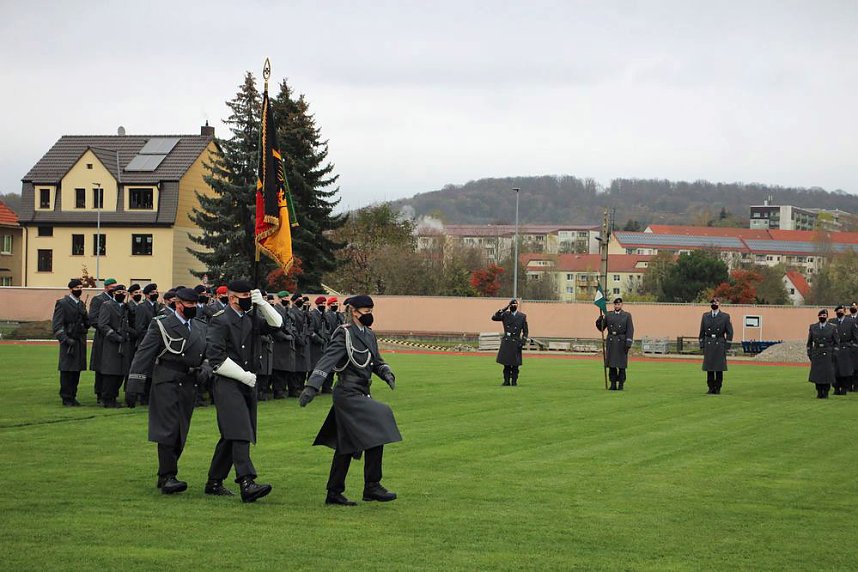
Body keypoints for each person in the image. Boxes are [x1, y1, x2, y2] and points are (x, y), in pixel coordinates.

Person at [299, 295, 401, 506]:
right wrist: (312, 386)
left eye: (371, 310)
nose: (370, 315)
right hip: (347, 392)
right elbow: (328, 359)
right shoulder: (344, 334)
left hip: (362, 391)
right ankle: (372, 485)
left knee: (345, 444)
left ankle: (334, 492)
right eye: (366, 311)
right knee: (381, 417)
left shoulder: (369, 335)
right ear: (354, 312)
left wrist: (386, 373)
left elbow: (376, 361)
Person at [204, 279, 282, 502]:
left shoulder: (251, 318)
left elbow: (277, 325)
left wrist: (265, 304)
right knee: (240, 431)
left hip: (248, 381)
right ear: (231, 298)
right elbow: (216, 358)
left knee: (231, 434)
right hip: (228, 381)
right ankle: (246, 482)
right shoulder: (220, 321)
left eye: (250, 296)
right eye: (244, 297)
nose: (248, 300)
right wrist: (244, 376)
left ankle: (214, 481)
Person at [127, 288, 210, 494]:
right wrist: (134, 384)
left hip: (190, 382)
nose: (193, 309)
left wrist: (206, 369)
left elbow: (209, 353)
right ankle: (168, 476)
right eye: (189, 305)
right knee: (167, 429)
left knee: (181, 430)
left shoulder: (200, 327)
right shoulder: (162, 324)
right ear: (178, 304)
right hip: (167, 380)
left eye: (195, 305)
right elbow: (144, 354)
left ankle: (165, 473)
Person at [51, 279, 89, 406]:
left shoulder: (81, 304)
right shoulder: (62, 303)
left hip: (79, 341)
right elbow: (57, 325)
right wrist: (65, 339)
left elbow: (86, 324)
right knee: (67, 370)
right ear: (71, 289)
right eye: (77, 287)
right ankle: (66, 397)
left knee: (76, 371)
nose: (79, 289)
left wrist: (85, 319)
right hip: (68, 341)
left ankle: (73, 395)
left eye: (80, 287)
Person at [97, 284, 135, 408]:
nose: (122, 294)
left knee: (121, 372)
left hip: (124, 343)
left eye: (124, 292)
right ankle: (108, 399)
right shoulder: (107, 305)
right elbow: (103, 325)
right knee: (111, 373)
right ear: (114, 293)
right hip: (112, 344)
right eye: (119, 291)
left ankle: (114, 397)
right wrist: (115, 336)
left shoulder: (125, 307)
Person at [596, 297, 635, 390]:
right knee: (612, 365)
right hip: (611, 342)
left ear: (621, 305)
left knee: (621, 365)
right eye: (615, 304)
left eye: (618, 304)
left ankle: (621, 384)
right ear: (614, 305)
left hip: (621, 342)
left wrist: (628, 343)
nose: (617, 306)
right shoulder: (608, 315)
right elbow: (601, 328)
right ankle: (613, 384)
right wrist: (600, 320)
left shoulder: (627, 315)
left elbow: (630, 330)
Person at [88, 277, 117, 403]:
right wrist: (105, 328)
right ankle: (100, 392)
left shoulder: (117, 301)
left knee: (113, 366)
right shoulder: (98, 300)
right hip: (102, 337)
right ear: (106, 288)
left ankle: (111, 392)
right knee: (101, 365)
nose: (114, 290)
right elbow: (93, 319)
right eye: (112, 288)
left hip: (115, 338)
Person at [698, 297, 733, 395]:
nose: (714, 304)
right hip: (709, 343)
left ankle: (717, 388)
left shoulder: (725, 317)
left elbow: (730, 332)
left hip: (719, 343)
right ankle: (710, 388)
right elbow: (702, 331)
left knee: (718, 368)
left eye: (716, 302)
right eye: (712, 303)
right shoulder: (705, 316)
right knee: (709, 368)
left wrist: (727, 345)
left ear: (719, 304)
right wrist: (702, 344)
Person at [491, 299, 529, 386]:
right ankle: (506, 381)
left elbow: (525, 331)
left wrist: (523, 341)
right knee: (506, 364)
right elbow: (494, 317)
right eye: (511, 305)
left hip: (516, 341)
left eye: (514, 305)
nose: (513, 306)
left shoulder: (522, 316)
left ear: (517, 306)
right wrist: (504, 309)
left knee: (515, 365)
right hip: (507, 341)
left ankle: (514, 382)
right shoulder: (505, 314)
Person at [270, 291, 297, 399]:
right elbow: (273, 327)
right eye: (285, 297)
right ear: (280, 299)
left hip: (287, 343)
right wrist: (284, 336)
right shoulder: (275, 310)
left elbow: (291, 324)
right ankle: (278, 391)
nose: (287, 299)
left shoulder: (287, 310)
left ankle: (282, 389)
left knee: (285, 368)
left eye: (287, 297)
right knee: (278, 369)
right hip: (279, 343)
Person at [807, 309, 838, 399]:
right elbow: (809, 342)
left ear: (827, 316)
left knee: (827, 374)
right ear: (818, 316)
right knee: (818, 375)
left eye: (824, 316)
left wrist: (834, 353)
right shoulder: (813, 327)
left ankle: (826, 392)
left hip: (828, 353)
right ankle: (819, 392)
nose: (822, 317)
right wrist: (810, 353)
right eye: (821, 316)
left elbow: (836, 342)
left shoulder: (832, 327)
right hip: (817, 353)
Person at [287, 292, 310, 397]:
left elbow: (307, 325)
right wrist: (299, 339)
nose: (301, 301)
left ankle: (300, 387)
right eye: (299, 299)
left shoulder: (304, 312)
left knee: (303, 367)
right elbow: (293, 328)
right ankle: (294, 388)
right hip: (296, 343)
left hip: (303, 340)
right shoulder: (292, 312)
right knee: (296, 368)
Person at [322, 297, 345, 393]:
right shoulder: (327, 315)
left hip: (338, 343)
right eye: (333, 304)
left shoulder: (339, 315)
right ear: (329, 305)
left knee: (337, 366)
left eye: (336, 304)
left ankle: (330, 386)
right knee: (329, 366)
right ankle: (325, 387)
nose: (335, 306)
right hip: (330, 342)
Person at [832, 305, 854, 396]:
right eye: (837, 311)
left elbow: (855, 335)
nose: (839, 312)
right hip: (835, 348)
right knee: (835, 370)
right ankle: (836, 388)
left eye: (841, 311)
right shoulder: (832, 322)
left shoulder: (850, 322)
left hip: (846, 348)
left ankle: (844, 388)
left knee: (845, 370)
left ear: (844, 311)